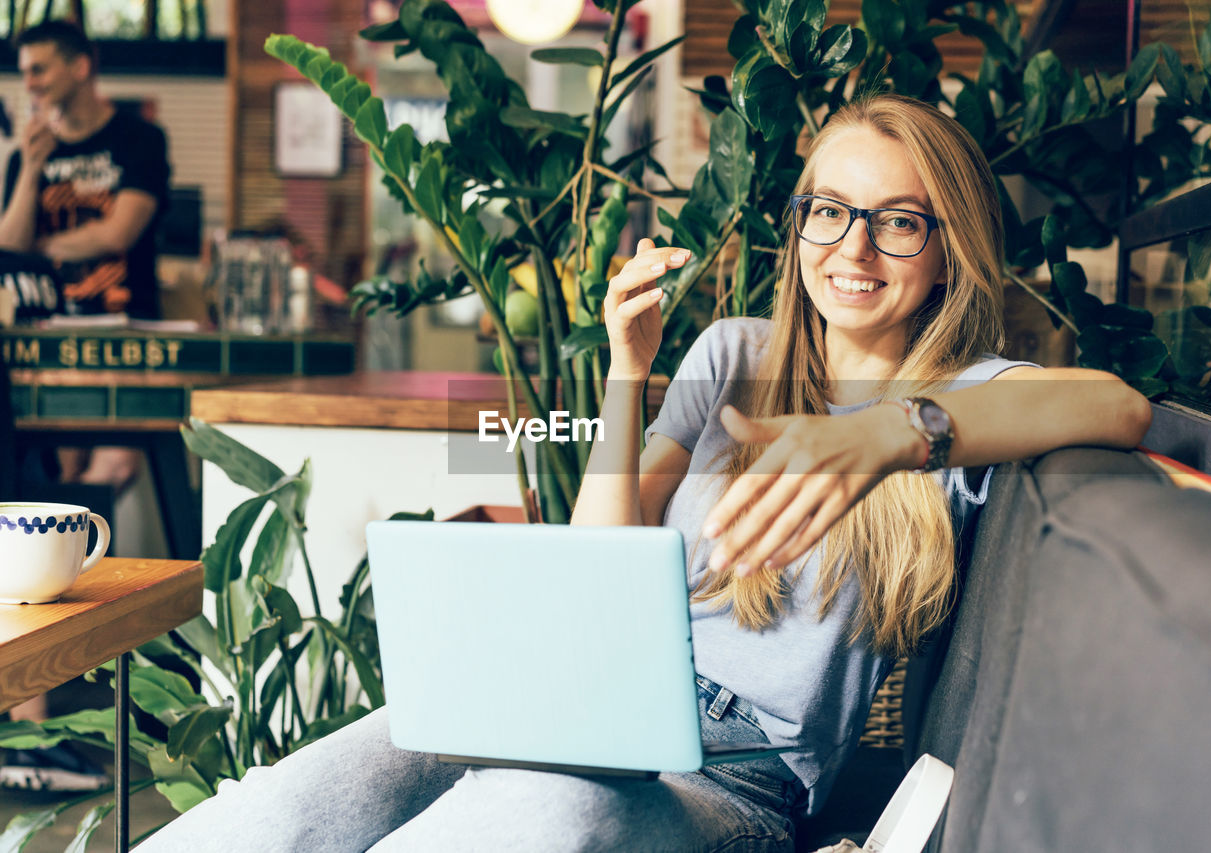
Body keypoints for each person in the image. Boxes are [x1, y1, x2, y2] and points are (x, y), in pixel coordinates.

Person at [136, 94, 1150, 851]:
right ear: (797, 224)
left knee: (541, 810)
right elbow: (601, 558)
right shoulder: (730, 355)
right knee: (314, 786)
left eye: (897, 219)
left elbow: (1116, 405)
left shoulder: (968, 397)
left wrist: (894, 433)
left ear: (946, 248)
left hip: (742, 785)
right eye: (828, 211)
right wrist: (625, 374)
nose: (853, 247)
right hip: (585, 701)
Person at [0, 19, 170, 793]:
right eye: (24, 71)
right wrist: (28, 169)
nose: (29, 83)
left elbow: (125, 226)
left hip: (124, 332)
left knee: (110, 464)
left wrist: (51, 251)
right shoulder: (31, 152)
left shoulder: (136, 136)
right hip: (38, 341)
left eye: (40, 69)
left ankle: (66, 697)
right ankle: (40, 723)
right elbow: (9, 242)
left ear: (80, 66)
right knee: (43, 484)